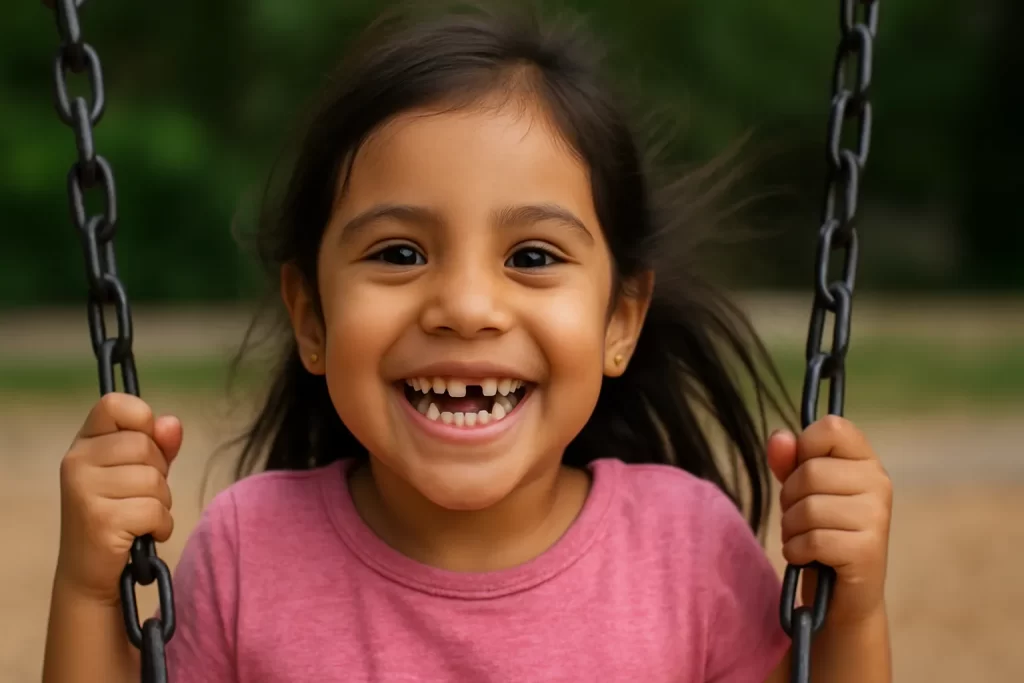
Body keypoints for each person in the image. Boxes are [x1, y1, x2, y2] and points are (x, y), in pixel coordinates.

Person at [42, 4, 893, 682]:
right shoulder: (249, 552)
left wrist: (852, 609)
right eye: (399, 253)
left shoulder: (688, 549)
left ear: (619, 321)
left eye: (533, 257)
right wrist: (87, 588)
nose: (466, 307)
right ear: (312, 317)